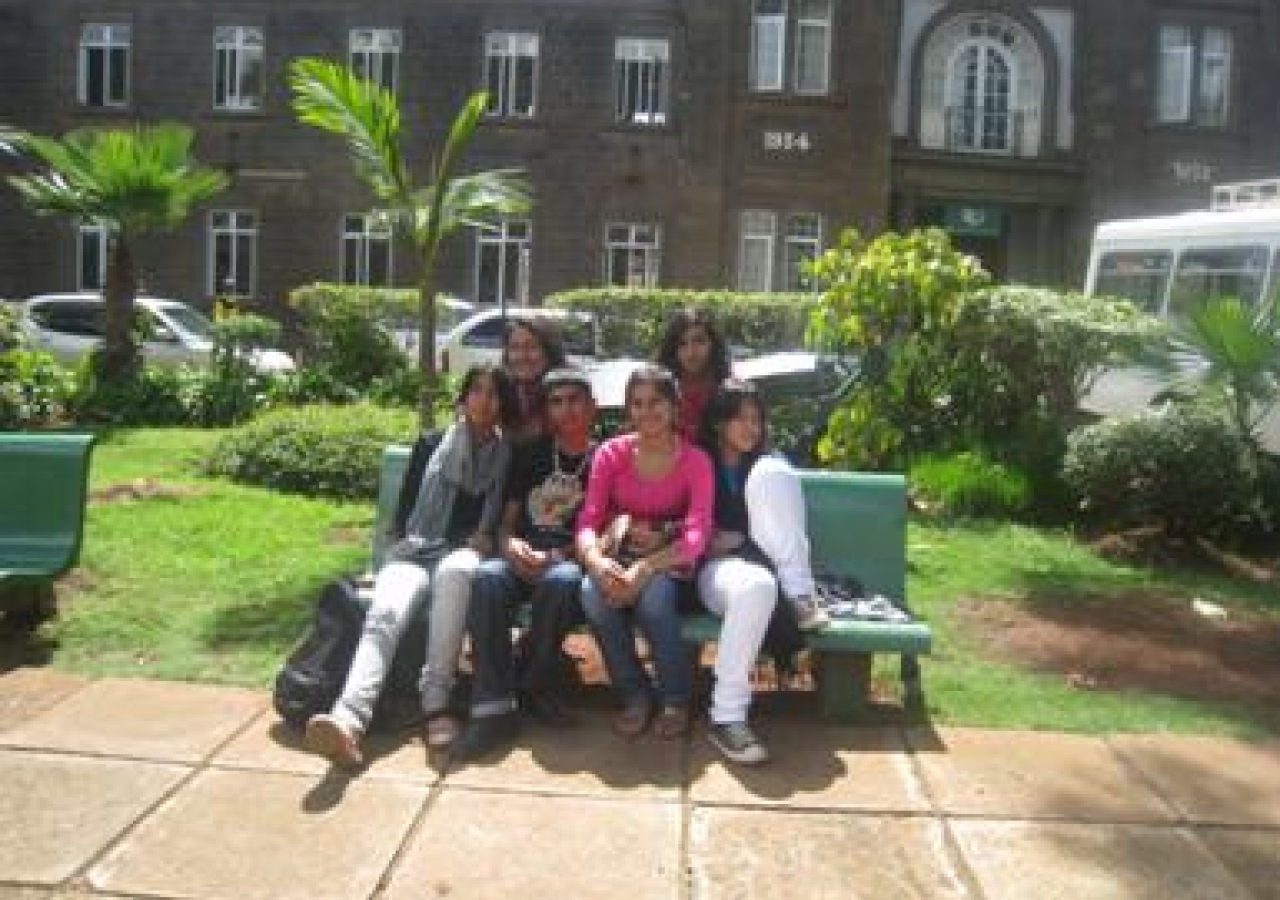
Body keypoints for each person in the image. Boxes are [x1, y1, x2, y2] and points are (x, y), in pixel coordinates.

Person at [305, 363, 517, 768]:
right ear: (463, 397)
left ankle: (436, 702)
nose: (483, 400)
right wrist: (404, 548)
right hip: (417, 549)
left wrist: (485, 538)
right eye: (476, 391)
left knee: (456, 573)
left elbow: (499, 522)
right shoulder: (432, 444)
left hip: (464, 553)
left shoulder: (506, 458)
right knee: (384, 612)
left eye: (493, 393)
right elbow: (404, 518)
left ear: (502, 403)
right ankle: (347, 720)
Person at [452, 367, 599, 760]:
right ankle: (492, 707)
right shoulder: (531, 454)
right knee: (486, 577)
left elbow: (601, 535)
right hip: (520, 558)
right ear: (546, 410)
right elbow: (507, 522)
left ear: (593, 407)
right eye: (556, 402)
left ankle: (534, 684)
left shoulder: (605, 458)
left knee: (565, 580)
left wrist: (560, 555)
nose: (566, 410)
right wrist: (510, 543)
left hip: (570, 560)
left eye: (574, 400)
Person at [576, 364, 715, 740]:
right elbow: (588, 520)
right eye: (637, 404)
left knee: (654, 599)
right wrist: (597, 561)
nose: (646, 412)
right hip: (618, 555)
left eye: (656, 402)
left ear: (674, 406)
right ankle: (635, 693)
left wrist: (648, 568)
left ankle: (675, 697)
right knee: (593, 593)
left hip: (673, 563)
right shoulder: (611, 454)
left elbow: (697, 534)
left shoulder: (695, 462)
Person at [696, 379, 830, 764]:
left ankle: (799, 596)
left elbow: (775, 533)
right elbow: (695, 531)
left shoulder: (767, 466)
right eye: (740, 419)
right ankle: (728, 718)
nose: (750, 428)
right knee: (754, 584)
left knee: (760, 582)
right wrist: (724, 542)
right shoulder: (700, 459)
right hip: (713, 573)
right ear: (720, 422)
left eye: (756, 419)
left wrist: (736, 539)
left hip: (767, 570)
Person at [656, 308, 732, 440]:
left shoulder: (729, 388)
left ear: (713, 344)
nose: (691, 352)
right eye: (682, 344)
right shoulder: (659, 388)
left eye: (699, 341)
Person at [503, 315, 568, 443]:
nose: (522, 356)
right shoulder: (501, 395)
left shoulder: (567, 396)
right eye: (514, 347)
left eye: (532, 347)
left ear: (550, 351)